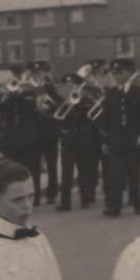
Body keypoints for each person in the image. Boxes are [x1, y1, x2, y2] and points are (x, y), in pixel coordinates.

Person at [99, 59, 140, 217]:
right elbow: (105, 120)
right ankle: (115, 207)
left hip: (133, 140)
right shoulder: (111, 93)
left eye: (120, 73)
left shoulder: (139, 92)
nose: (117, 77)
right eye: (115, 74)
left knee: (133, 174)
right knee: (115, 175)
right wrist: (104, 141)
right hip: (115, 141)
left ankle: (137, 204)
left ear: (128, 73)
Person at [56, 71, 101, 211]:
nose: (71, 87)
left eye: (73, 84)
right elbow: (57, 118)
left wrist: (84, 100)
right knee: (66, 171)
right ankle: (65, 202)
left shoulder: (87, 99)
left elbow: (95, 118)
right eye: (68, 84)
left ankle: (85, 199)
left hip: (84, 139)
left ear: (78, 85)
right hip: (68, 139)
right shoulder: (61, 100)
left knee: (84, 170)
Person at [28, 61, 63, 205]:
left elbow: (60, 105)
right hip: (34, 132)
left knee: (51, 165)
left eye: (40, 72)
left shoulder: (49, 86)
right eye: (35, 72)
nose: (38, 75)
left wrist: (50, 104)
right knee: (33, 166)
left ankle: (51, 193)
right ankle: (35, 196)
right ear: (31, 73)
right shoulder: (26, 88)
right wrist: (34, 106)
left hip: (50, 131)